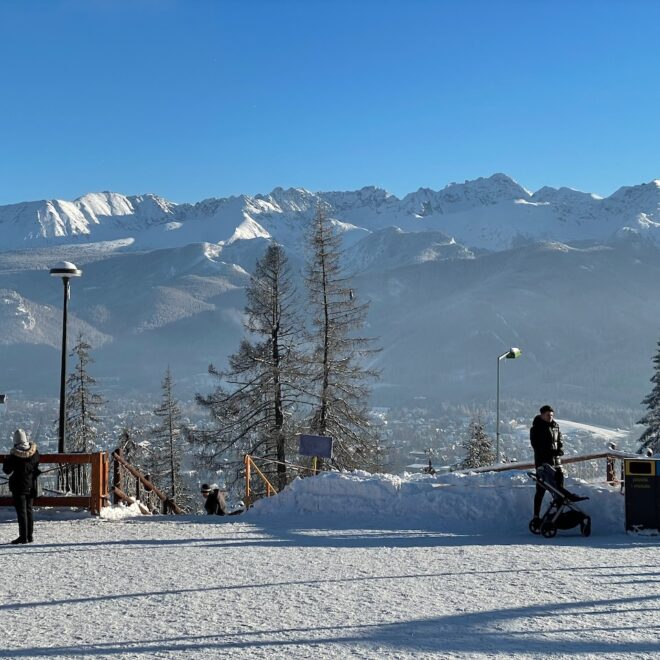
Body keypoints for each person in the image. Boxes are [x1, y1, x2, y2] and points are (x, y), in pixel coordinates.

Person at [2, 429, 40, 544]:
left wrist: (6, 460)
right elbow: (36, 464)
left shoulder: (14, 456)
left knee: (21, 512)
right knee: (29, 510)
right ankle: (30, 535)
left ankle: (23, 537)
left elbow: (7, 470)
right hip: (31, 485)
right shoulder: (35, 453)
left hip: (19, 486)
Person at [530, 405, 564, 522]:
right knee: (540, 490)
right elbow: (537, 447)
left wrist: (560, 449)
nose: (550, 417)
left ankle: (558, 513)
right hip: (543, 464)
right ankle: (536, 516)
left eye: (551, 415)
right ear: (542, 415)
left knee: (560, 490)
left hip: (557, 463)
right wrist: (553, 452)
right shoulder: (536, 428)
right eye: (548, 415)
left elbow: (559, 440)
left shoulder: (556, 426)